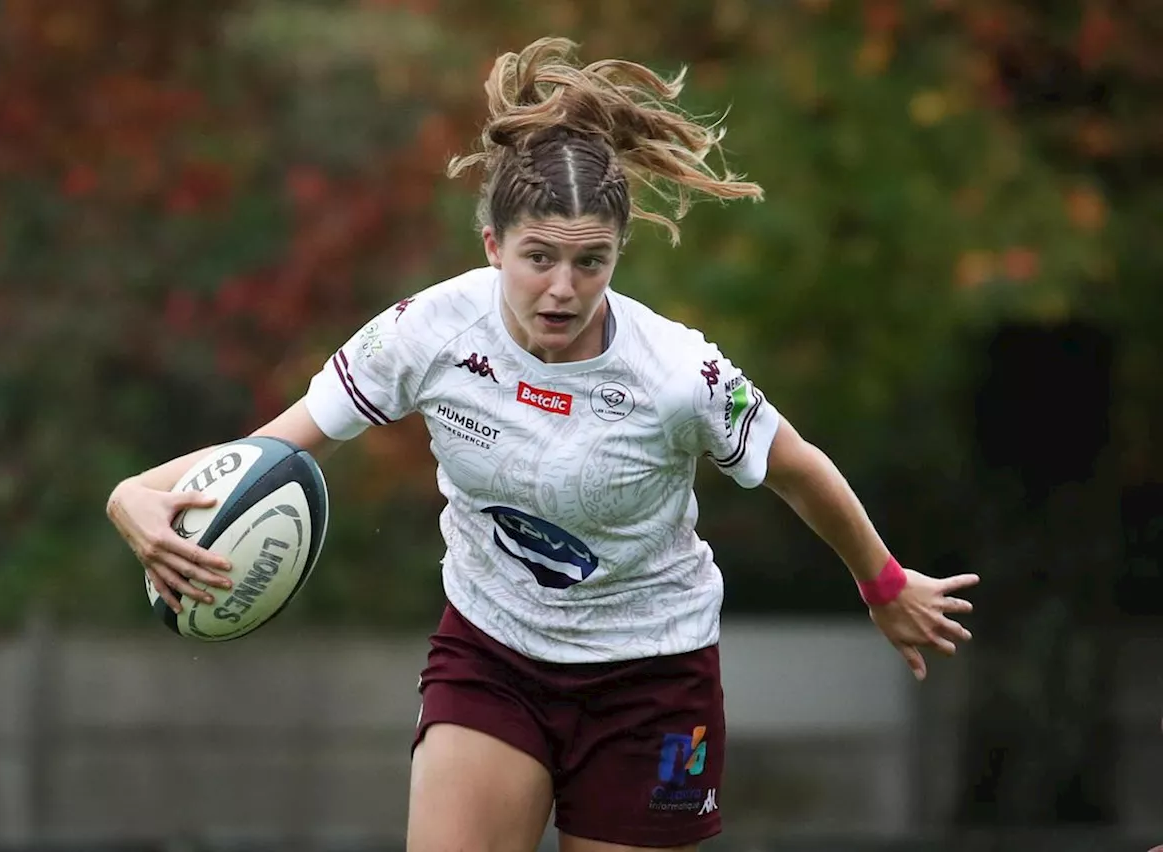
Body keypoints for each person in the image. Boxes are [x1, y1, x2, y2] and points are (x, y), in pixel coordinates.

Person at [106, 37, 978, 852]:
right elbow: (277, 452)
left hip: (654, 678)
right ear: (493, 246)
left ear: (619, 254)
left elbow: (798, 470)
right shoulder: (429, 330)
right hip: (493, 653)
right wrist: (132, 495)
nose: (563, 288)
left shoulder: (676, 371)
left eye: (591, 262)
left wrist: (884, 582)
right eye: (538, 258)